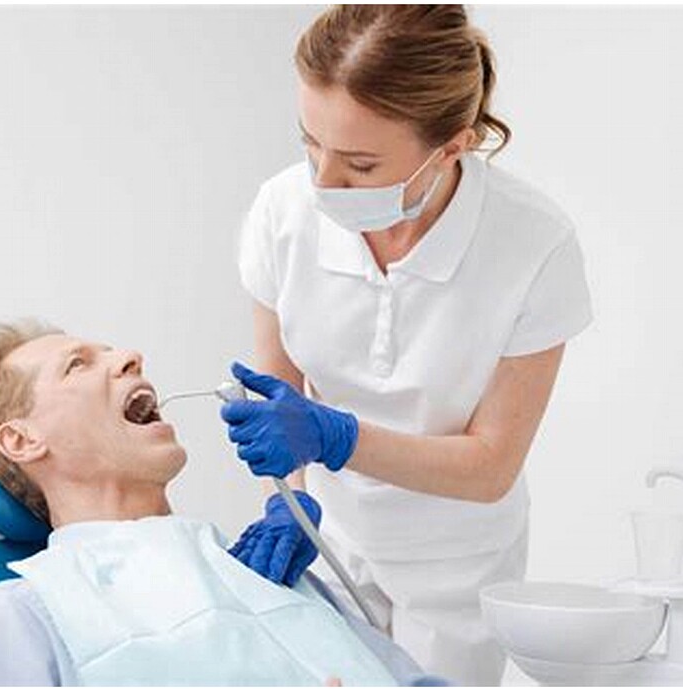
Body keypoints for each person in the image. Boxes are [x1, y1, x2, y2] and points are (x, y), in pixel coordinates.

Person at [220, 5, 593, 685]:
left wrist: (337, 437)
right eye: (310, 143)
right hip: (331, 539)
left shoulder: (533, 244)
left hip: (457, 568)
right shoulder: (281, 212)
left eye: (360, 164)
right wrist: (290, 501)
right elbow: (280, 394)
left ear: (453, 146)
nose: (322, 182)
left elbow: (491, 466)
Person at [0, 320, 440, 687]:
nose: (129, 356)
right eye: (77, 365)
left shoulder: (276, 578)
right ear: (22, 440)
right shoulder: (8, 624)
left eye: (110, 350)